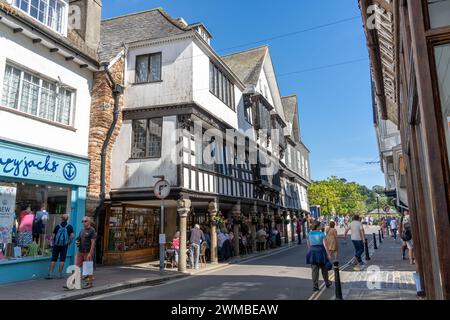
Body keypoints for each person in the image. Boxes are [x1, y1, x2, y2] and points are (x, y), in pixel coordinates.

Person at [46, 214, 74, 279]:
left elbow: (53, 236)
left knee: (54, 259)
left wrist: (52, 243)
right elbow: (72, 236)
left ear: (61, 219)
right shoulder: (69, 227)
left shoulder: (57, 226)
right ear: (67, 219)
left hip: (56, 245)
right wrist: (69, 242)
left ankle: (50, 274)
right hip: (64, 245)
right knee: (62, 259)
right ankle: (60, 274)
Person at [306, 221, 332, 292]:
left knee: (314, 270)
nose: (321, 226)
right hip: (321, 252)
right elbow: (325, 245)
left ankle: (315, 286)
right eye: (320, 225)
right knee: (324, 269)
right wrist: (328, 254)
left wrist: (311, 251)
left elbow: (308, 245)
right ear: (317, 226)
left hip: (312, 252)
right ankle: (327, 283)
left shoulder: (309, 234)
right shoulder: (321, 234)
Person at [75, 216, 97, 289]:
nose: (83, 222)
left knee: (88, 268)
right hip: (80, 251)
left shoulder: (92, 230)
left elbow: (93, 243)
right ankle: (73, 282)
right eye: (83, 221)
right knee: (77, 267)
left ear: (89, 222)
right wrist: (77, 241)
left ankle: (90, 283)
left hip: (87, 252)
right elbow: (78, 239)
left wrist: (90, 253)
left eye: (85, 221)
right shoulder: (82, 230)